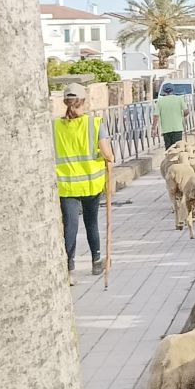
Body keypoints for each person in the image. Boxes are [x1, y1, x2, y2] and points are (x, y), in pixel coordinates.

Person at [55, 83, 114, 279]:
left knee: (70, 225)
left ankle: (69, 267)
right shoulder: (94, 123)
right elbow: (107, 153)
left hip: (66, 186)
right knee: (91, 222)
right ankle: (96, 261)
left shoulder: (55, 126)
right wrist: (108, 157)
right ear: (83, 102)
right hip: (91, 183)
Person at [155, 85, 186, 149]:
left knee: (169, 149)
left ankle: (169, 159)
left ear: (164, 91)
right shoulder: (179, 99)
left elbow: (156, 116)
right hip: (178, 128)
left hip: (166, 130)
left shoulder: (160, 101)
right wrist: (181, 116)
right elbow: (187, 111)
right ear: (173, 90)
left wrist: (153, 128)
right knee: (178, 148)